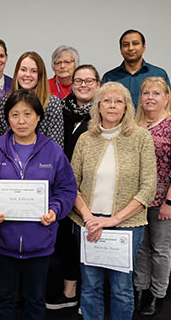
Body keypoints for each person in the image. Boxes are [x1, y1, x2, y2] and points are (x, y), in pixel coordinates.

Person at [68, 82, 157, 320]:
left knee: (121, 288)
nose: (112, 105)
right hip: (88, 224)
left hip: (126, 226)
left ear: (127, 107)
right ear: (97, 105)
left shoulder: (141, 138)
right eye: (107, 100)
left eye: (119, 101)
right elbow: (71, 184)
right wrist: (89, 217)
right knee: (90, 286)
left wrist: (113, 220)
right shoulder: (86, 139)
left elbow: (148, 187)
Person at [0, 89, 77, 319]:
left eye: (27, 114)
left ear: (39, 117)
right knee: (2, 300)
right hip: (3, 240)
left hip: (40, 241)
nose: (21, 121)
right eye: (15, 115)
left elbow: (66, 189)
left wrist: (54, 210)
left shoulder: (53, 151)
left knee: (36, 301)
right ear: (7, 118)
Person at [134, 77, 171, 317]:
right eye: (146, 93)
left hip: (165, 201)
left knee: (159, 248)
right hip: (138, 201)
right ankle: (141, 290)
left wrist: (169, 202)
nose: (150, 97)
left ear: (166, 98)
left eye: (156, 93)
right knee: (140, 249)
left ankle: (157, 295)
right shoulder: (135, 126)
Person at [46, 64, 101, 311]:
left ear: (98, 84)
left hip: (91, 187)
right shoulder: (59, 109)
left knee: (87, 239)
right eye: (79, 80)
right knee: (65, 241)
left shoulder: (104, 114)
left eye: (89, 81)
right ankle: (69, 292)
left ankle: (88, 294)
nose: (83, 85)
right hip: (60, 182)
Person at [0, 51, 64, 147]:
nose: (27, 75)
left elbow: (55, 145)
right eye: (23, 70)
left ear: (40, 75)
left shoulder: (52, 103)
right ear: (17, 72)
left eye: (34, 71)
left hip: (45, 159)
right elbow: (3, 141)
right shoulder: (5, 102)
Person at [102, 29, 171, 107]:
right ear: (121, 50)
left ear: (144, 47)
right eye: (125, 45)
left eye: (135, 43)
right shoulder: (109, 77)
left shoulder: (158, 74)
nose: (130, 48)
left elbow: (168, 106)